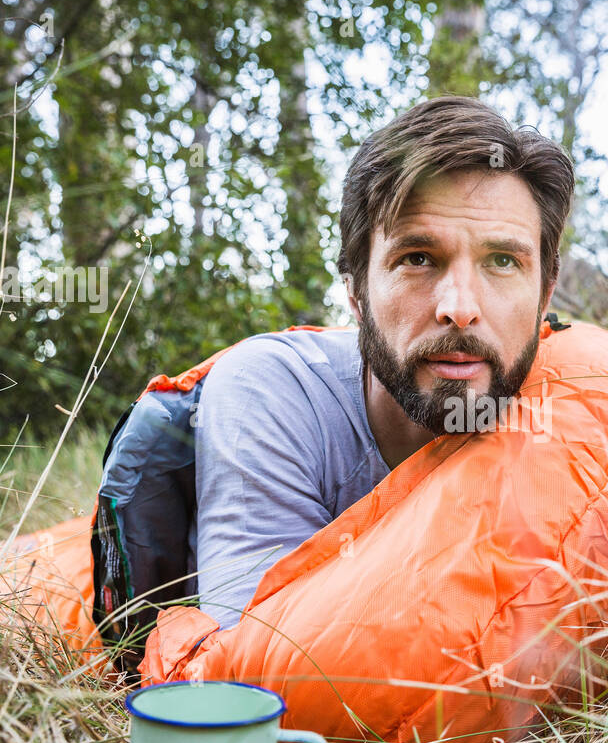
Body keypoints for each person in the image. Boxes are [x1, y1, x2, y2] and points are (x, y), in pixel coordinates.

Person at [189, 96, 576, 630]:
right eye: (418, 259)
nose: (460, 308)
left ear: (545, 292)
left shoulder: (575, 411)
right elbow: (263, 667)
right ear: (355, 291)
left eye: (502, 261)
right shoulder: (269, 393)